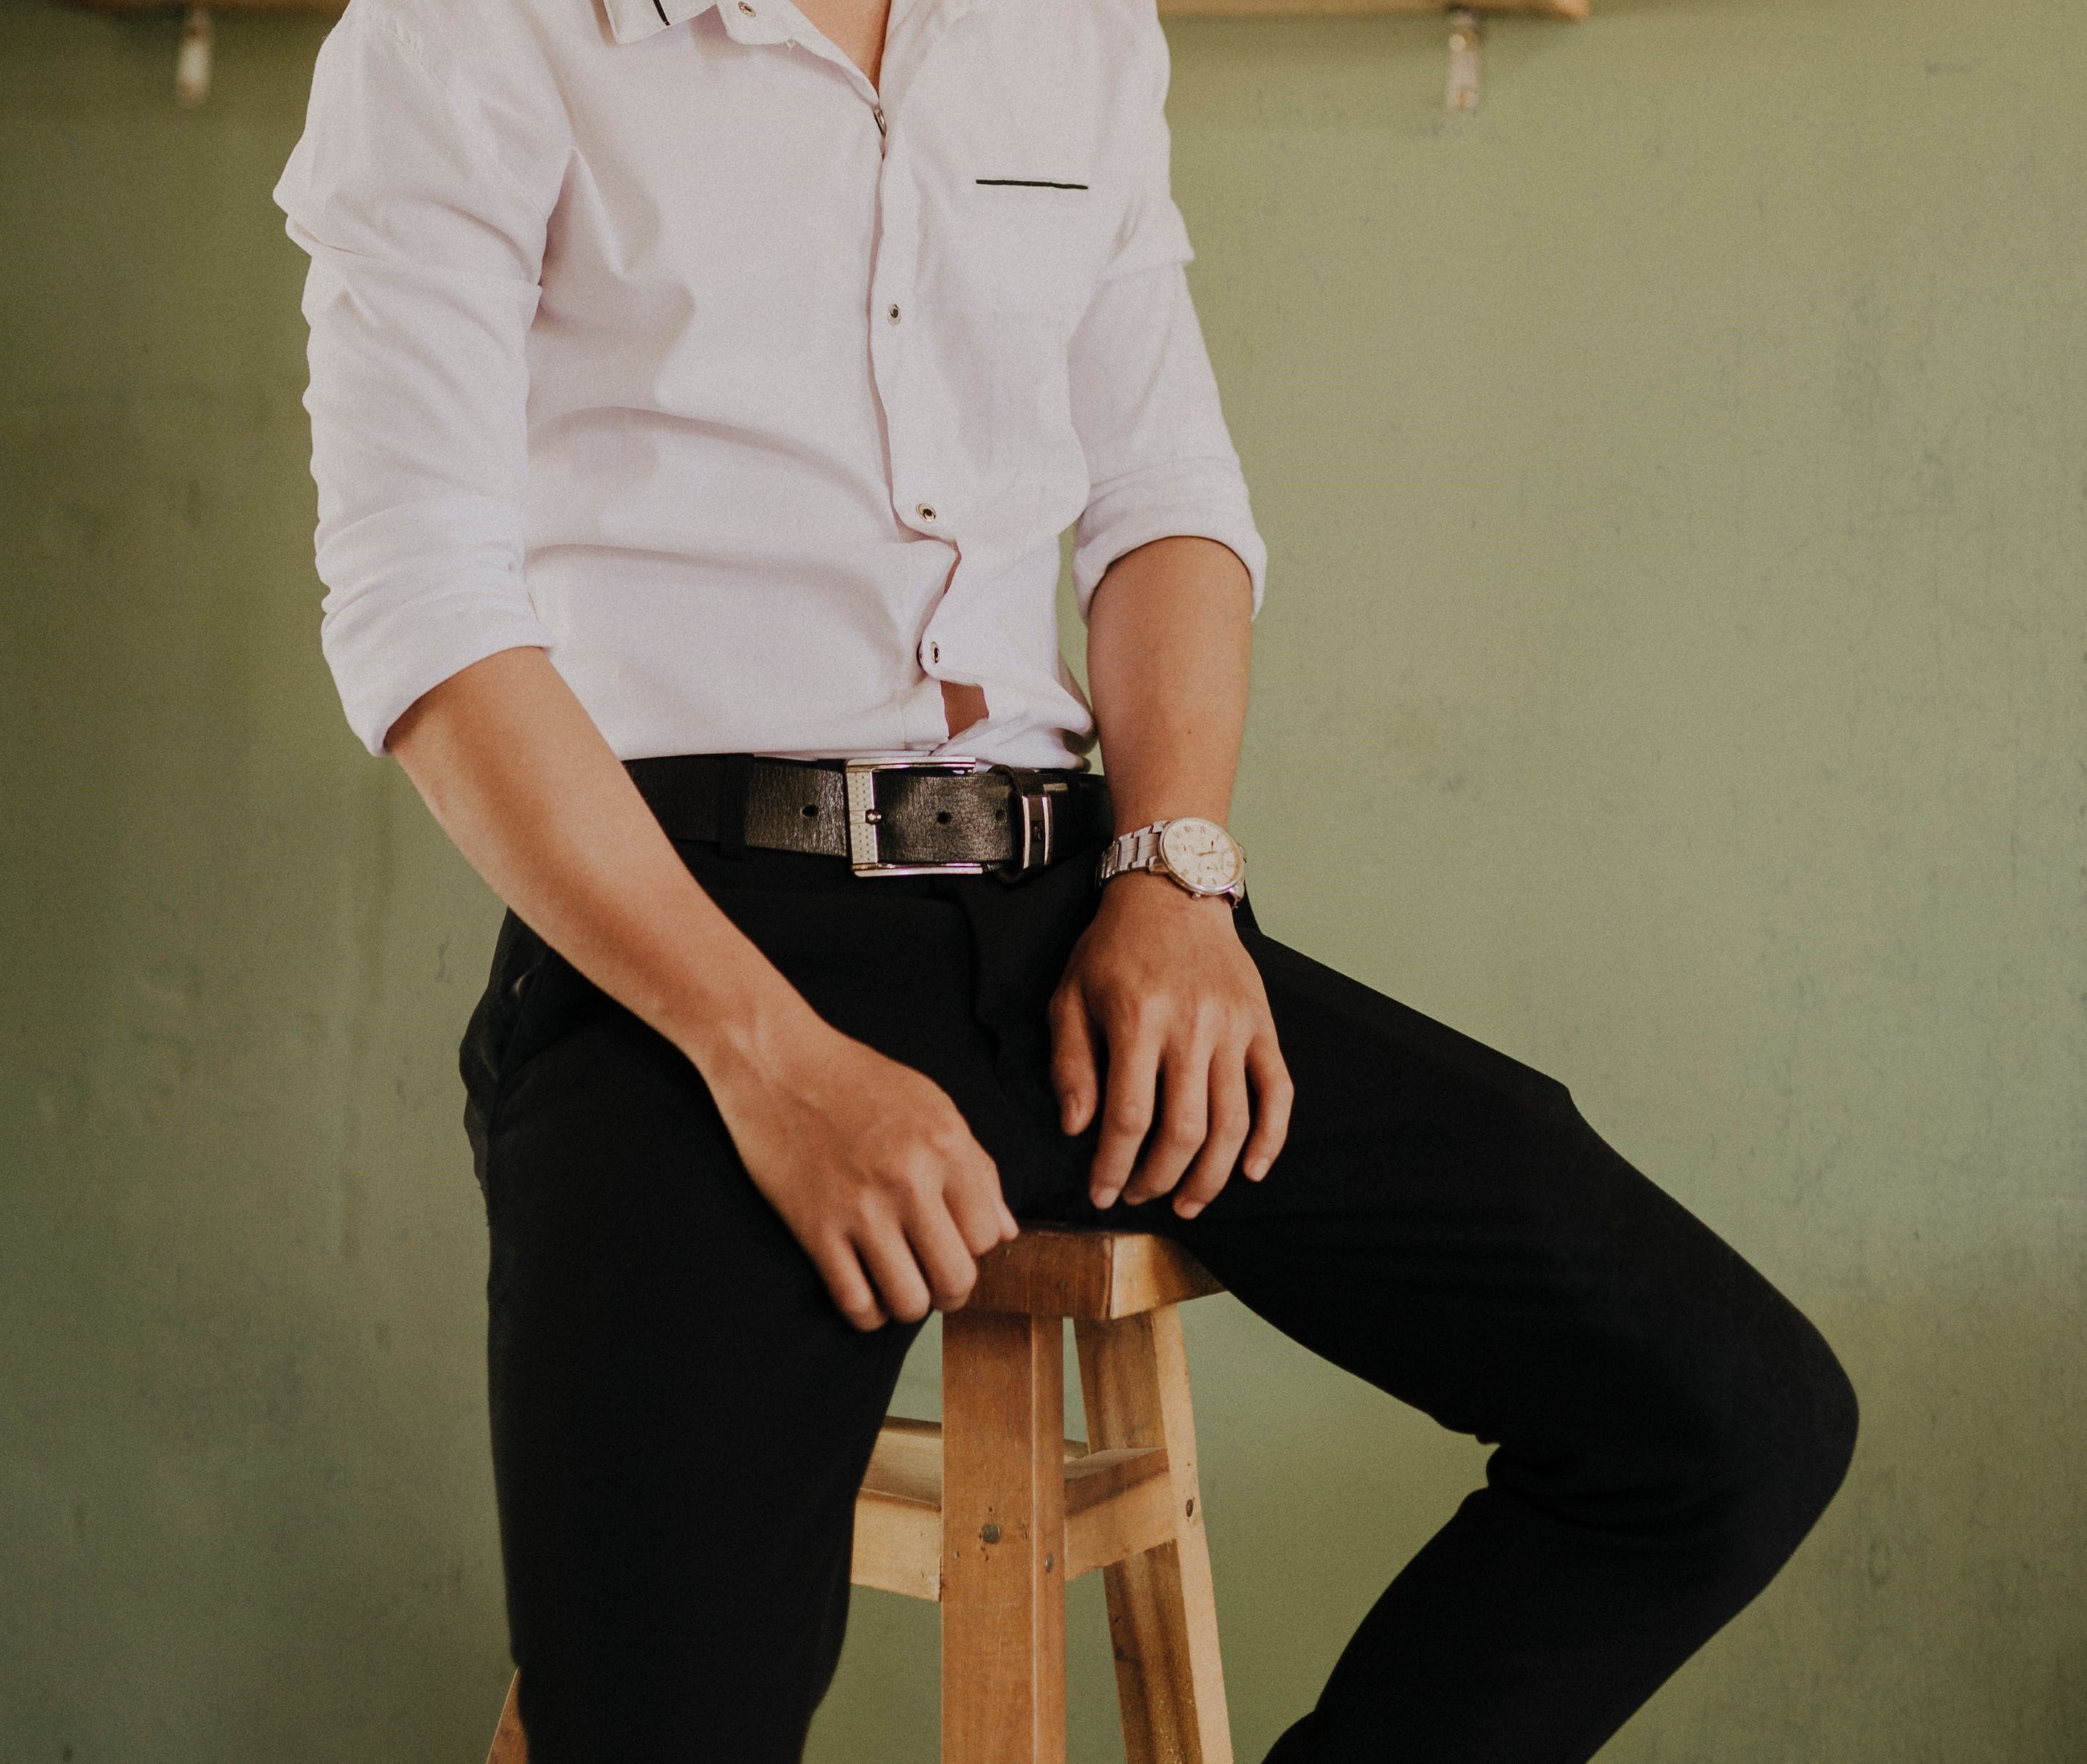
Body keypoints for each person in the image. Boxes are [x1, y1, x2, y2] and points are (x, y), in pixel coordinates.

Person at [274, 0, 1857, 1756]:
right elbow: (426, 615)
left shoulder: (1066, 22)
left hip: (1075, 916)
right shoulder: (458, 36)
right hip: (693, 954)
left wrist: (1177, 874)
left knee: (1727, 1418)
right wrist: (768, 1058)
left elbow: (1160, 490)